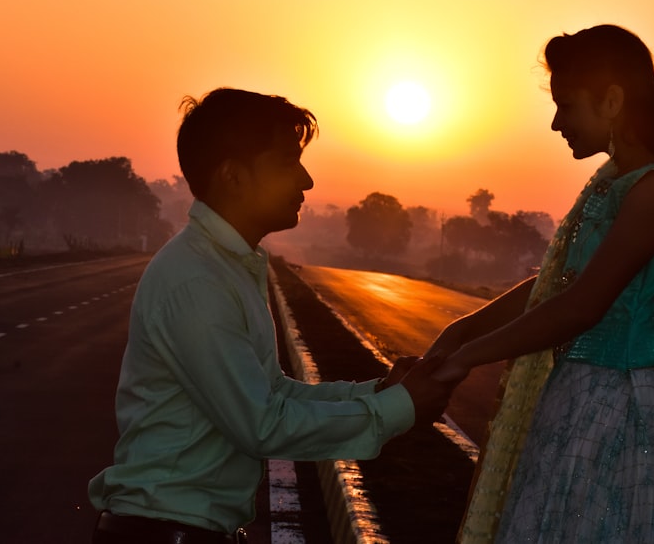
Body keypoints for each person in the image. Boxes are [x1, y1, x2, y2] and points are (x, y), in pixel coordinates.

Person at [88, 88, 452, 543]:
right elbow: (262, 425)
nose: (306, 180)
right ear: (233, 177)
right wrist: (399, 408)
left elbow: (272, 392)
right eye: (286, 162)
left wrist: (379, 390)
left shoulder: (228, 266)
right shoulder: (198, 280)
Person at [429, 25, 654, 543]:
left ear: (612, 100)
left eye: (566, 106)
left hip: (618, 407)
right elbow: (556, 286)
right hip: (579, 395)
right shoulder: (620, 181)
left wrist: (468, 358)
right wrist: (461, 332)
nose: (556, 123)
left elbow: (581, 306)